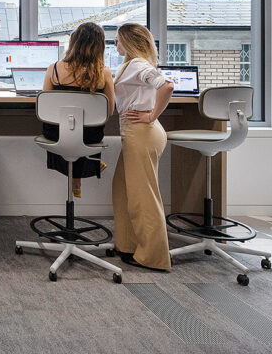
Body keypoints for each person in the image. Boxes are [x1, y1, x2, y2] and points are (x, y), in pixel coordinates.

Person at [111, 23, 174, 271]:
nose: (115, 45)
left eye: (117, 40)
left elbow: (166, 85)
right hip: (135, 131)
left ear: (127, 42)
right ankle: (129, 246)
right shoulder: (129, 64)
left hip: (142, 131)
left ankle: (153, 257)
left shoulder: (138, 64)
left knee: (143, 197)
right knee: (123, 190)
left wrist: (151, 115)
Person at [41, 22, 114, 198]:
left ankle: (75, 178)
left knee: (69, 130)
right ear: (100, 46)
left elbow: (45, 106)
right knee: (81, 131)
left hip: (56, 134)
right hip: (89, 137)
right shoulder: (104, 73)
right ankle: (80, 174)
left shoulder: (54, 69)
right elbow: (109, 111)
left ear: (73, 42)